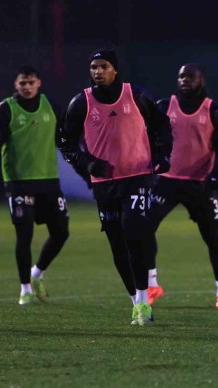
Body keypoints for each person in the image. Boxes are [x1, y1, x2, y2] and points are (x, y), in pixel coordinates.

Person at [59, 49, 172, 326]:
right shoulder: (81, 103)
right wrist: (87, 163)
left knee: (134, 232)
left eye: (103, 66)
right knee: (117, 244)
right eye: (94, 67)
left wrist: (162, 154)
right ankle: (136, 303)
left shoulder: (137, 96)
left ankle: (144, 300)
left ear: (115, 70)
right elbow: (66, 142)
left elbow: (162, 125)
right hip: (104, 184)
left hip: (137, 177)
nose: (98, 71)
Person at [145, 63, 218, 309]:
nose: (185, 80)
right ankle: (152, 285)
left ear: (201, 80)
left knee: (212, 237)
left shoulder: (214, 110)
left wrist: (215, 176)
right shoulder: (165, 106)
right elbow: (150, 139)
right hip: (167, 181)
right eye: (181, 76)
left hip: (199, 184)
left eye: (190, 77)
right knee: (144, 227)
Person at [0, 65, 70, 305]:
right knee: (24, 235)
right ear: (15, 85)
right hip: (19, 183)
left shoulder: (51, 106)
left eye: (31, 82)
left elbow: (66, 139)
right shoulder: (5, 109)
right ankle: (25, 289)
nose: (27, 87)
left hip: (49, 180)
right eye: (22, 83)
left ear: (39, 83)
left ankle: (37, 273)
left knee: (61, 232)